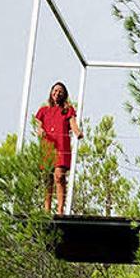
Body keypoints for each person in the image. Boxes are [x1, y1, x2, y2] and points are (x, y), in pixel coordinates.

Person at [35, 82, 83, 214]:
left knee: (59, 177)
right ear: (51, 92)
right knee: (48, 178)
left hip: (62, 146)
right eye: (55, 91)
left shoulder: (68, 110)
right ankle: (46, 209)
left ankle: (60, 209)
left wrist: (78, 132)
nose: (57, 93)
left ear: (64, 94)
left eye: (60, 91)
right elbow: (38, 126)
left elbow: (73, 124)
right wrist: (39, 131)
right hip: (47, 146)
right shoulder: (43, 111)